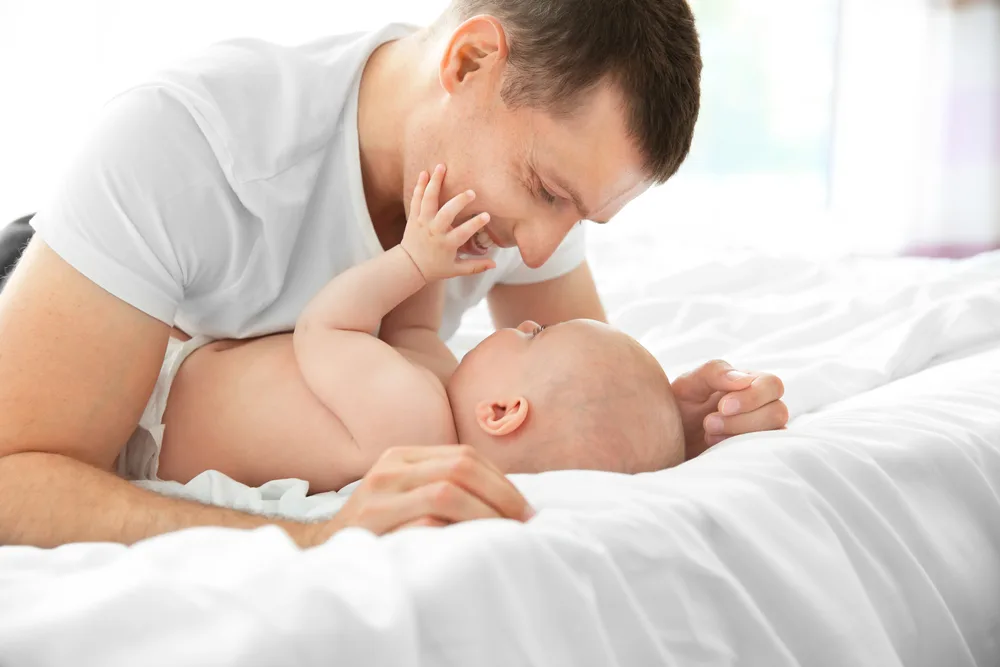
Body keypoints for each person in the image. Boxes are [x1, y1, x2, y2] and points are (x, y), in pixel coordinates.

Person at [0, 0, 787, 549]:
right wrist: (316, 537)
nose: (541, 251)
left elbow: (574, 400)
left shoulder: (518, 203)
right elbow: (14, 479)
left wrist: (676, 427)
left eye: (579, 215)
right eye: (546, 191)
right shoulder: (184, 145)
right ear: (470, 61)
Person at [138, 165, 685, 494]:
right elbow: (415, 330)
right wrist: (443, 250)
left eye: (535, 335)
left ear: (501, 413)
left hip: (150, 409)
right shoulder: (436, 408)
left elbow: (327, 326)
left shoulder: (413, 423)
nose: (524, 321)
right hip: (181, 386)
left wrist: (414, 262)